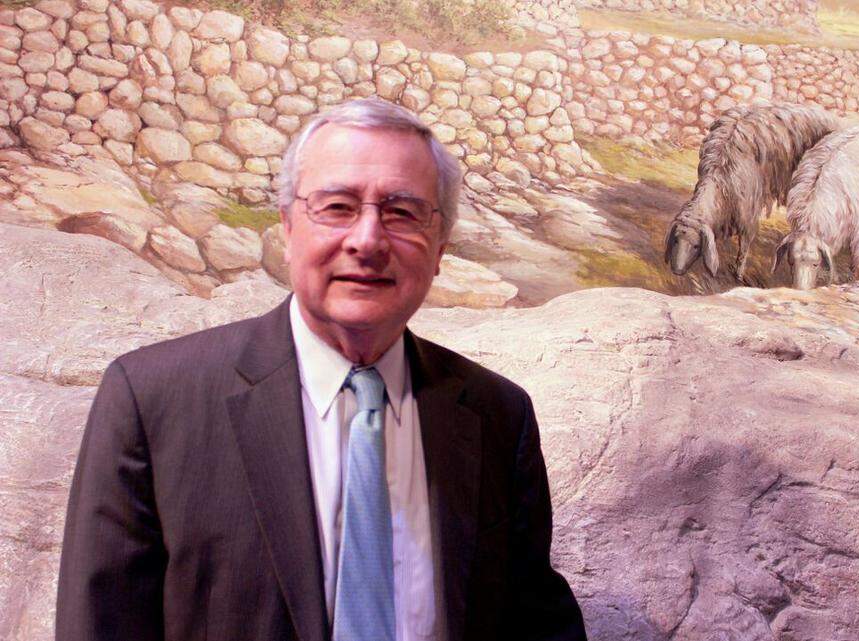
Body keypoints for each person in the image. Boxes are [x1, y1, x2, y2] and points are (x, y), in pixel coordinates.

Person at [55, 97, 587, 641]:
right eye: (337, 207)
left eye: (402, 212)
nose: (368, 240)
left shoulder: (498, 414)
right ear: (287, 228)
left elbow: (535, 622)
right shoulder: (151, 400)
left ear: (440, 248)